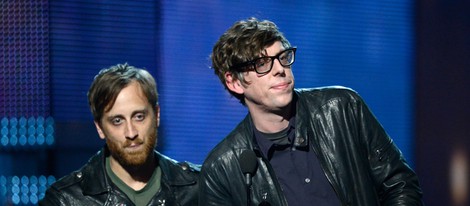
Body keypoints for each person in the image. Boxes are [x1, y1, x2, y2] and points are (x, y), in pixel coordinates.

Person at [199, 17, 423, 205]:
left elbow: (400, 184)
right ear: (234, 82)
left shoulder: (341, 109)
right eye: (262, 64)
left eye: (283, 57)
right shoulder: (221, 169)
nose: (280, 70)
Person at [40, 63, 200, 205]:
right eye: (117, 121)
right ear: (99, 128)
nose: (131, 133)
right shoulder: (65, 200)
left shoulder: (200, 187)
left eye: (139, 117)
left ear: (157, 115)